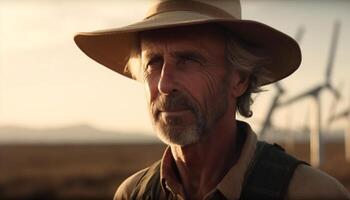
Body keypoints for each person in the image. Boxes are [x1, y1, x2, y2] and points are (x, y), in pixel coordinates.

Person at [74, 0, 350, 199]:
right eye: (153, 63)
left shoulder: (309, 192)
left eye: (189, 60)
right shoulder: (134, 194)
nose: (165, 84)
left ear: (239, 80)